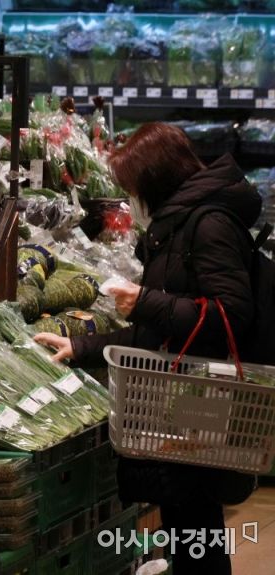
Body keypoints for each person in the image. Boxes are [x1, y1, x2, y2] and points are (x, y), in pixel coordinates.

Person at [34, 123, 261, 575]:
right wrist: (81, 346)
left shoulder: (208, 225)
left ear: (157, 180)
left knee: (196, 528)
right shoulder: (175, 227)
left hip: (203, 401)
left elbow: (230, 315)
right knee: (190, 527)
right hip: (182, 399)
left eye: (133, 190)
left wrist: (145, 301)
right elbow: (160, 334)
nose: (130, 200)